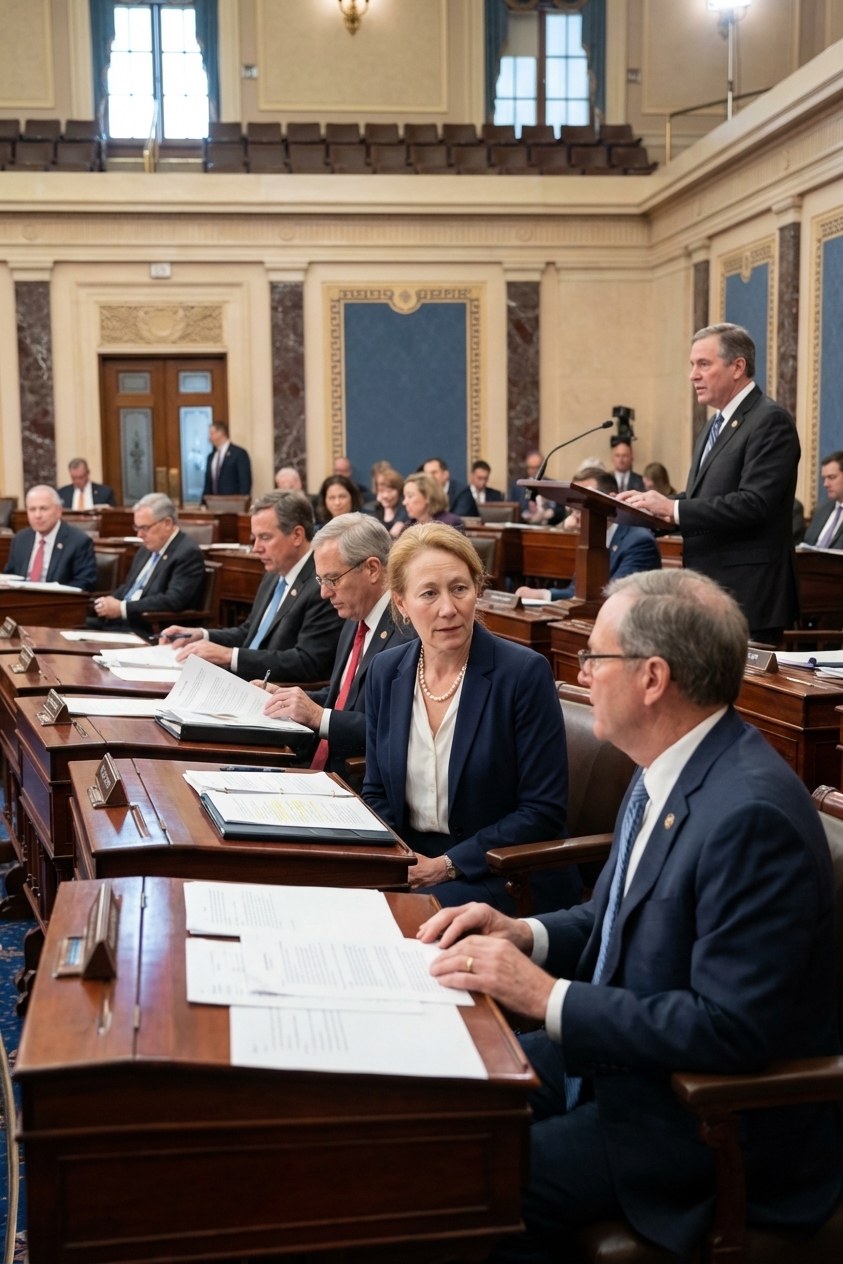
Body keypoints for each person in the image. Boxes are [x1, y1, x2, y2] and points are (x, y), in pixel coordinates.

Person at [422, 568, 843, 1263]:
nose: (582, 673)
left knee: (470, 1173)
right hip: (618, 1061)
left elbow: (729, 1030)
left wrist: (542, 995)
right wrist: (521, 932)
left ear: (652, 678)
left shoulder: (749, 815)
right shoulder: (662, 766)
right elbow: (616, 915)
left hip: (697, 1121)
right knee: (441, 1097)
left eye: (595, 657)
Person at [363, 523, 580, 914]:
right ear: (401, 604)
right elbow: (377, 791)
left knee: (396, 919)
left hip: (506, 873)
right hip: (414, 863)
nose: (448, 608)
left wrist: (446, 866)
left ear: (477, 591)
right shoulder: (386, 671)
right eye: (429, 593)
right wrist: (396, 857)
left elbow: (542, 811)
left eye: (459, 589)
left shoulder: (523, 673)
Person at [622, 323, 800, 644]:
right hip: (707, 591)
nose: (693, 375)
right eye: (692, 365)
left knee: (743, 695)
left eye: (703, 364)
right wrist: (649, 507)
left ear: (737, 367)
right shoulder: (712, 426)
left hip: (748, 594)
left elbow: (754, 503)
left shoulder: (770, 420)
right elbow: (702, 497)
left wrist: (674, 508)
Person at [262, 513, 411, 777]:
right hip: (312, 765)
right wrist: (289, 699)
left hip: (354, 780)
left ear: (373, 569)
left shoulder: (406, 632)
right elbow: (343, 697)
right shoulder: (355, 616)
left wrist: (319, 716)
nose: (324, 593)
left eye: (332, 579)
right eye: (321, 580)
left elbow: (396, 730)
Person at [164, 491, 342, 683]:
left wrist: (229, 656)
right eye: (254, 538)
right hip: (241, 681)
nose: (256, 548)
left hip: (271, 694)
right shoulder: (273, 575)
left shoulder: (321, 585)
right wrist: (202, 635)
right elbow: (250, 632)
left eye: (265, 538)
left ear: (297, 535)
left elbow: (307, 663)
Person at [515, 468, 661, 602]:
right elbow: (578, 592)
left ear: (609, 501)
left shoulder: (639, 542)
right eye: (573, 501)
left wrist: (543, 595)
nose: (575, 511)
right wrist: (544, 595)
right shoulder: (590, 538)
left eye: (582, 500)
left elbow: (615, 598)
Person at [90, 493, 204, 634]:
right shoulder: (146, 549)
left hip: (147, 628)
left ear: (167, 523)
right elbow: (129, 587)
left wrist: (123, 608)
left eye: (145, 528)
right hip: (121, 623)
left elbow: (173, 600)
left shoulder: (187, 553)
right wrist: (107, 603)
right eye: (137, 528)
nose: (139, 535)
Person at [5, 484, 97, 590]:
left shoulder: (79, 541)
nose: (37, 515)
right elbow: (11, 577)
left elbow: (85, 583)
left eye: (43, 509)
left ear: (58, 511)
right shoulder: (20, 539)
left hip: (57, 603)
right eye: (32, 509)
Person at [802, 450, 843, 550]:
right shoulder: (822, 510)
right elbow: (807, 543)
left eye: (831, 477)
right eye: (824, 478)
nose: (825, 484)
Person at [202, 421, 252, 498]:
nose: (209, 437)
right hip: (214, 503)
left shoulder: (239, 453)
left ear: (220, 433)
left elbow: (245, 481)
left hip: (233, 503)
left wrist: (243, 502)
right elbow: (208, 483)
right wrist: (204, 502)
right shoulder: (211, 457)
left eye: (212, 433)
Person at [365, 467, 408, 538]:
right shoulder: (374, 511)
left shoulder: (406, 514)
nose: (385, 495)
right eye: (381, 490)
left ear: (399, 491)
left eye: (390, 490)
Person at [508, 449, 543, 518]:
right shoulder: (516, 486)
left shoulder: (551, 484)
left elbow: (557, 511)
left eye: (537, 467)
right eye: (532, 468)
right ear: (526, 467)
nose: (535, 471)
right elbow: (511, 510)